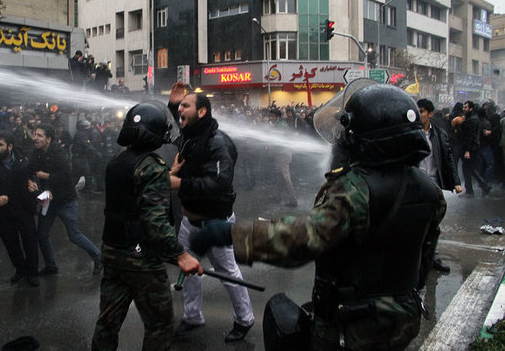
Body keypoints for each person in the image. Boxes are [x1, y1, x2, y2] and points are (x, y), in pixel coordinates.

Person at [190, 83, 447, 351]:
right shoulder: (431, 191)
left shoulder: (354, 190)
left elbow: (301, 241)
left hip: (353, 322)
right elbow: (424, 258)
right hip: (401, 319)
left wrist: (229, 234)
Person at [91, 102, 202, 351]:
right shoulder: (151, 167)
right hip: (141, 260)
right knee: (160, 326)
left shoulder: (116, 162)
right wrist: (181, 255)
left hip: (113, 253)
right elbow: (155, 221)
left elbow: (134, 189)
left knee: (107, 324)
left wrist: (167, 173)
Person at [168, 82, 255, 343]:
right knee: (188, 270)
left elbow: (219, 184)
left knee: (228, 274)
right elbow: (182, 123)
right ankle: (193, 316)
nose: (180, 111)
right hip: (189, 220)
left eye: (185, 106)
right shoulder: (190, 134)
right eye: (179, 107)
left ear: (203, 111)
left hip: (215, 223)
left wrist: (179, 183)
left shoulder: (219, 143)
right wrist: (174, 104)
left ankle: (245, 319)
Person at [26, 124, 103, 276]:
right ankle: (51, 266)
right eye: (35, 134)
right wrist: (30, 180)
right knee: (41, 234)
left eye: (39, 135)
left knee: (74, 235)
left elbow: (66, 177)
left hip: (65, 201)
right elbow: (30, 169)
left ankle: (98, 257)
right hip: (48, 201)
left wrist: (46, 177)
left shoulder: (58, 153)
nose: (35, 138)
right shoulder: (36, 152)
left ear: (48, 139)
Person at [0, 130, 39, 287]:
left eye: (0, 145)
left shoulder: (23, 158)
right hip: (2, 213)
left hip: (24, 209)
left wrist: (31, 181)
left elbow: (34, 173)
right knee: (11, 244)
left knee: (30, 241)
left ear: (10, 146)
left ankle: (32, 272)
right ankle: (20, 269)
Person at [417, 98, 462, 273]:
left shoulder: (439, 134)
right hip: (417, 183)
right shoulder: (411, 133)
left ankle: (432, 257)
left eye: (422, 111)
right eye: (417, 111)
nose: (419, 114)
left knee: (433, 224)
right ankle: (416, 258)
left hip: (434, 184)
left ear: (430, 114)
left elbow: (448, 159)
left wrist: (456, 182)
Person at [460, 101, 491, 197]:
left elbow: (470, 136)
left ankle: (471, 190)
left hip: (471, 148)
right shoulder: (471, 118)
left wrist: (467, 150)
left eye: (465, 107)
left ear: (471, 109)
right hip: (472, 147)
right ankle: (482, 186)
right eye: (463, 107)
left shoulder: (472, 120)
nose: (463, 109)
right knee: (469, 168)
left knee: (467, 168)